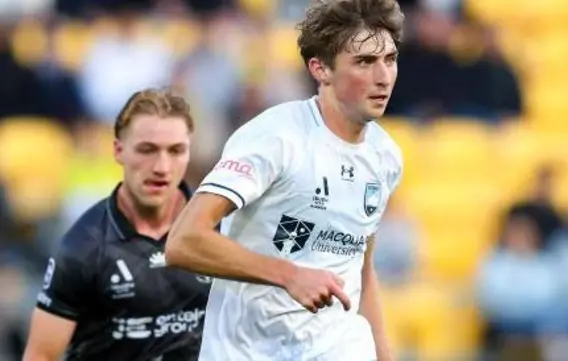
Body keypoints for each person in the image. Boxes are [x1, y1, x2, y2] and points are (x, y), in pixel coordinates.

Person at [165, 0, 405, 360]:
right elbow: (184, 241)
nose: (383, 76)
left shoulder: (385, 157)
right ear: (320, 68)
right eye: (364, 62)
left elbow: (362, 272)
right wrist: (289, 275)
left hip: (334, 347)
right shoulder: (276, 138)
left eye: (389, 59)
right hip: (246, 350)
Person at [22, 88, 212, 361]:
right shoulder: (83, 247)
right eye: (147, 150)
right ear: (118, 151)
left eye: (175, 151)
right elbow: (41, 356)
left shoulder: (219, 227)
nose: (161, 166)